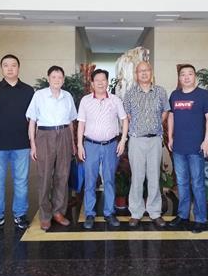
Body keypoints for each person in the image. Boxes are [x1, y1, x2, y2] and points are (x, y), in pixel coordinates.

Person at [0, 54, 35, 233]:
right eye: (6, 65)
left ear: (18, 68)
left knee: (21, 182)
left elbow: (33, 119)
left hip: (22, 144)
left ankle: (20, 215)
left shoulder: (28, 91)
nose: (10, 68)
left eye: (13, 65)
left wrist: (33, 142)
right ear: (1, 68)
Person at [26, 65, 77, 231]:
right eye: (53, 77)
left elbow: (71, 122)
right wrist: (33, 145)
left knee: (63, 175)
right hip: (44, 136)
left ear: (63, 79)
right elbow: (32, 121)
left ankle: (58, 212)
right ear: (48, 79)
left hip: (64, 135)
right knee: (45, 176)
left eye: (60, 77)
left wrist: (73, 143)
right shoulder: (39, 95)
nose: (57, 80)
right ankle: (45, 216)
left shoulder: (67, 96)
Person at [77, 69, 129, 230]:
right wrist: (79, 145)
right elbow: (81, 124)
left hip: (111, 145)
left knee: (109, 180)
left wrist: (123, 140)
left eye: (103, 79)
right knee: (90, 180)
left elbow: (124, 120)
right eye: (97, 80)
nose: (100, 83)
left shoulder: (115, 100)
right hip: (90, 145)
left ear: (107, 81)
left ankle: (109, 213)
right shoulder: (85, 101)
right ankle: (90, 213)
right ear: (92, 83)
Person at [167, 64, 208, 233]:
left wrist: (207, 141)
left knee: (198, 184)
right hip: (179, 147)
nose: (186, 77)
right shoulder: (175, 95)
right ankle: (183, 215)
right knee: (181, 183)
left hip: (196, 147)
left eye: (190, 74)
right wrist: (170, 137)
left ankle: (201, 219)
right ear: (179, 77)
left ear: (195, 77)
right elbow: (171, 116)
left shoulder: (203, 95)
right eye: (183, 74)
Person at [123, 61, 170, 228]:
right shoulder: (130, 93)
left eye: (147, 70)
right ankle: (136, 212)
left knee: (154, 176)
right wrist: (140, 127)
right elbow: (127, 116)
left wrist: (153, 125)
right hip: (136, 140)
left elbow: (165, 111)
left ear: (151, 72)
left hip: (155, 140)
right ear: (136, 75)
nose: (144, 73)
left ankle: (155, 212)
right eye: (140, 71)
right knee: (137, 177)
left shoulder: (160, 92)